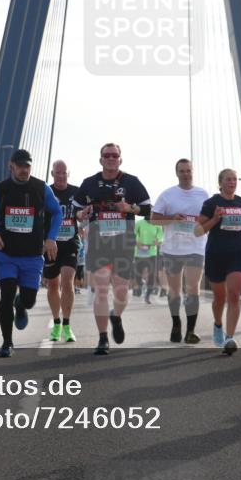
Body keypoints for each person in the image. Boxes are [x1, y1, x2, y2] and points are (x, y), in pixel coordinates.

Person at [73, 142, 152, 355]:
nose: (110, 158)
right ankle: (102, 338)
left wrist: (130, 208)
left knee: (121, 291)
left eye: (114, 155)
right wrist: (82, 214)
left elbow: (148, 209)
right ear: (100, 159)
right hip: (99, 242)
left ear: (120, 159)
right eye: (106, 155)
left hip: (123, 243)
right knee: (100, 289)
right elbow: (76, 211)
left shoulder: (131, 182)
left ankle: (115, 316)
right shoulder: (89, 183)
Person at [0, 149, 61, 357]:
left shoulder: (41, 188)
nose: (24, 170)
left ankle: (21, 304)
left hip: (33, 255)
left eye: (28, 166)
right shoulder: (0, 190)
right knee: (6, 294)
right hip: (6, 254)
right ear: (11, 166)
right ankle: (7, 343)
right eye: (20, 166)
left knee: (29, 300)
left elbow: (57, 212)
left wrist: (51, 237)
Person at [197, 169, 241, 354]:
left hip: (237, 252)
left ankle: (230, 337)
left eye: (234, 179)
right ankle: (218, 325)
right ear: (220, 182)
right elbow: (198, 230)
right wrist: (215, 218)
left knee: (234, 293)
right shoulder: (211, 203)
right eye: (228, 179)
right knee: (220, 298)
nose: (232, 182)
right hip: (216, 253)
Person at [151, 158, 210, 344]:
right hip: (172, 250)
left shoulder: (203, 194)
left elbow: (207, 219)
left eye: (188, 170)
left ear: (193, 172)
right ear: (176, 173)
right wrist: (172, 218)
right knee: (175, 290)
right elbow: (154, 219)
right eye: (182, 171)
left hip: (196, 248)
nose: (186, 174)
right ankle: (176, 324)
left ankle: (190, 331)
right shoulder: (168, 195)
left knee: (193, 289)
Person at [43, 160, 80, 343]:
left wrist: (84, 216)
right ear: (52, 174)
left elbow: (84, 212)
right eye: (58, 173)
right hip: (51, 244)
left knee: (67, 281)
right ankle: (56, 323)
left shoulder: (76, 192)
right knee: (52, 284)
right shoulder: (46, 192)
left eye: (64, 173)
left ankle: (67, 324)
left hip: (70, 244)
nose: (61, 176)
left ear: (68, 174)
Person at [133, 216, 163, 302]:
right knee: (138, 276)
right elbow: (133, 234)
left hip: (152, 253)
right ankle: (141, 284)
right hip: (139, 253)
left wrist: (158, 241)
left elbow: (161, 236)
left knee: (152, 275)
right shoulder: (139, 223)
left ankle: (147, 295)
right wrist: (137, 242)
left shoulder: (158, 224)